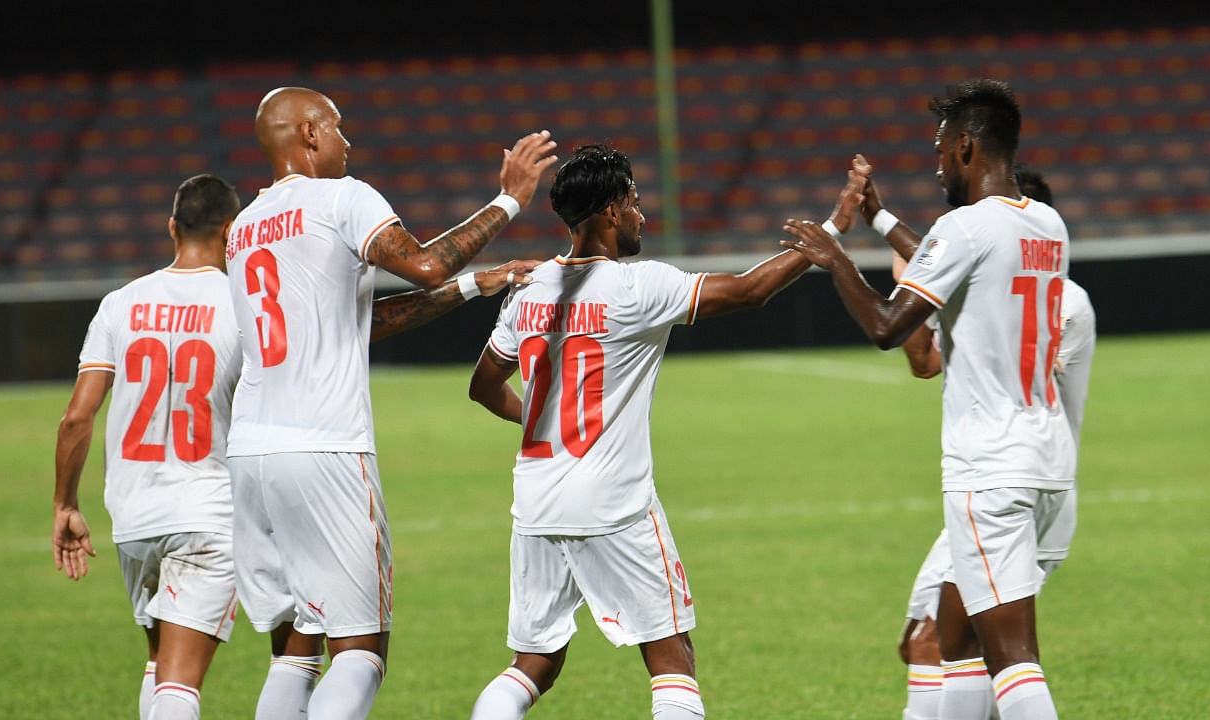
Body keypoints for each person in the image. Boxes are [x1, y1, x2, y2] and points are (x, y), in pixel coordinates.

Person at [465, 143, 862, 720]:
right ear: (608, 212)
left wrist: (536, 420)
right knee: (672, 658)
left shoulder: (527, 290)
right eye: (633, 201)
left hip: (535, 500)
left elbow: (482, 385)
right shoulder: (634, 288)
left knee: (533, 663)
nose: (641, 214)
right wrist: (829, 233)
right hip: (612, 504)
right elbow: (750, 291)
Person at [225, 86, 557, 720]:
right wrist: (510, 199)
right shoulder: (343, 198)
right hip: (324, 447)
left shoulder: (245, 228)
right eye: (339, 128)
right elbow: (426, 264)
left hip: (252, 453)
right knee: (361, 650)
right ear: (311, 135)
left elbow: (354, 322)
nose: (349, 142)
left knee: (299, 644)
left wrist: (469, 287)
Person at [782, 79, 1072, 720]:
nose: (937, 164)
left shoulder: (964, 226)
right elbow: (963, 266)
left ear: (967, 148)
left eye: (941, 151)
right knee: (958, 641)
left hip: (989, 466)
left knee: (1012, 656)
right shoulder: (1049, 224)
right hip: (1046, 459)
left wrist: (835, 260)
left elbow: (890, 325)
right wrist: (883, 218)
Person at [854, 164, 1094, 720]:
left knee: (971, 648)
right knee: (943, 641)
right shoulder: (1048, 288)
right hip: (1020, 480)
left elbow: (919, 354)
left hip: (1007, 483)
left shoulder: (1050, 303)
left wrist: (900, 270)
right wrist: (887, 224)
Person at [53, 174, 245, 720]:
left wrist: (65, 504)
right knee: (180, 683)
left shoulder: (121, 303)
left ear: (171, 228)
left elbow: (76, 419)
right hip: (208, 513)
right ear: (232, 232)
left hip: (135, 518)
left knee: (160, 665)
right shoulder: (241, 306)